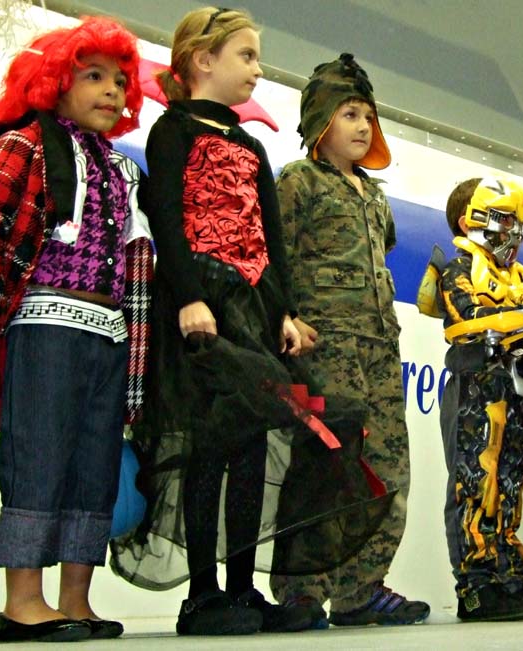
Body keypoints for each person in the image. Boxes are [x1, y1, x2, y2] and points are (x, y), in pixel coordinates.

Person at [107, 7, 376, 636]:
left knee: (253, 446)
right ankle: (202, 593)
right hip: (205, 308)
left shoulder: (252, 146)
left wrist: (283, 309)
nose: (257, 69)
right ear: (204, 61)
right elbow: (170, 222)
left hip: (254, 308)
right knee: (210, 445)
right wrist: (189, 297)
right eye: (247, 56)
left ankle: (242, 586)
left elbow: (271, 239)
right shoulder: (173, 132)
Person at [0, 16, 152, 642]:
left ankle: (75, 599)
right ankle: (22, 602)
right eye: (94, 77)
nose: (112, 91)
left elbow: (137, 266)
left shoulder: (122, 171)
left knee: (95, 463)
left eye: (119, 82)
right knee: (38, 457)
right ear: (54, 80)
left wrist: (139, 360)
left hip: (108, 332)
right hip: (44, 323)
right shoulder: (24, 144)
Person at [269, 53, 429, 627]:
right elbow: (274, 259)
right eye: (350, 114)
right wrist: (284, 318)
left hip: (380, 351)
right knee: (324, 468)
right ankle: (302, 590)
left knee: (388, 467)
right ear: (320, 122)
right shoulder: (296, 181)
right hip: (324, 349)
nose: (364, 127)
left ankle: (361, 588)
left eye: (369, 116)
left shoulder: (374, 194)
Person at [434, 176, 523, 622]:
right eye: (505, 220)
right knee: (475, 481)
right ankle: (475, 586)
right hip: (476, 388)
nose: (514, 231)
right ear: (470, 220)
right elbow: (466, 320)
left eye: (519, 222)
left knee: (511, 481)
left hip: (515, 390)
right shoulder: (458, 268)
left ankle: (510, 578)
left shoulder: (521, 277)